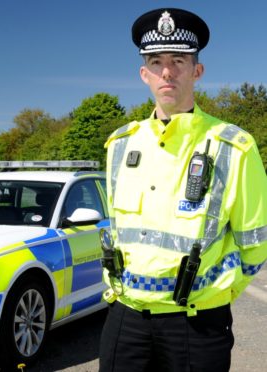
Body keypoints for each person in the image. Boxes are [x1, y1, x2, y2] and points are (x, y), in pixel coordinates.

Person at [100, 8, 267, 372]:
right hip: (125, 318)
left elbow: (255, 245)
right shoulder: (119, 144)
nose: (167, 72)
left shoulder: (233, 146)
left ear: (197, 71)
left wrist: (216, 292)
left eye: (178, 60)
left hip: (196, 323)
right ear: (143, 74)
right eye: (156, 62)